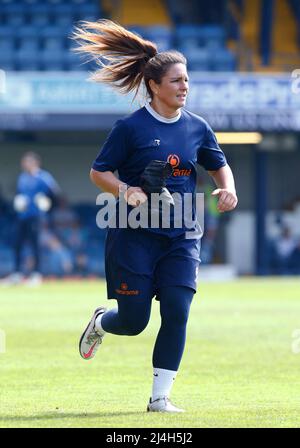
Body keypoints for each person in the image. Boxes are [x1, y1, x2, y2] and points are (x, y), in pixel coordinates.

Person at [74, 20, 238, 412]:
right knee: (133, 322)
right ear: (155, 85)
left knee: (178, 310)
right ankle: (102, 321)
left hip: (182, 234)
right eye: (177, 81)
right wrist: (125, 190)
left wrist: (227, 187)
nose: (184, 87)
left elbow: (219, 164)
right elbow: (99, 172)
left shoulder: (198, 127)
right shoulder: (130, 128)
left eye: (187, 81)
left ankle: (160, 398)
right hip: (134, 235)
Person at [1, 152, 60, 286]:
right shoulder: (22, 177)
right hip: (22, 217)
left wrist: (47, 204)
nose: (25, 165)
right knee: (17, 243)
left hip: (36, 217)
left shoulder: (44, 177)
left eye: (27, 162)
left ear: (35, 163)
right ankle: (17, 273)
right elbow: (19, 194)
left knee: (35, 245)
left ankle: (36, 274)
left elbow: (55, 194)